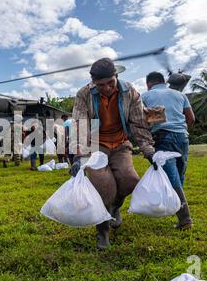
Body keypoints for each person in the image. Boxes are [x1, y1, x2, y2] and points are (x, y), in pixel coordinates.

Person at [70, 57, 156, 250]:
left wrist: (148, 149)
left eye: (110, 82)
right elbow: (80, 126)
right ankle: (102, 231)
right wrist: (78, 156)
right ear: (93, 83)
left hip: (120, 143)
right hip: (96, 144)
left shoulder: (130, 93)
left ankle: (115, 208)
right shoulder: (84, 94)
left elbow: (138, 123)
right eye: (101, 85)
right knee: (104, 187)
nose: (107, 88)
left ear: (116, 76)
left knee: (129, 180)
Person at [142, 71, 195, 230]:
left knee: (171, 178)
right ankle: (176, 204)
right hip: (182, 137)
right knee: (179, 174)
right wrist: (182, 131)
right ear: (163, 81)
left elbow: (145, 121)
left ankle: (185, 218)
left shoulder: (146, 96)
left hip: (162, 137)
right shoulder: (180, 95)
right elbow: (191, 119)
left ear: (149, 83)